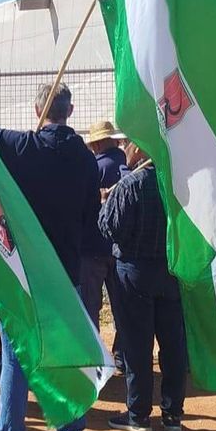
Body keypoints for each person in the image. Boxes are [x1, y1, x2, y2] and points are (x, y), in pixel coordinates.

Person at [0, 60, 101, 431]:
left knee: (17, 354)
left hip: (24, 274)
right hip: (66, 273)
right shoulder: (85, 160)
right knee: (62, 353)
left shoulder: (26, 148)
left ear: (37, 111)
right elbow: (90, 217)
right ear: (70, 112)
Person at [98, 144, 189, 431]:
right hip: (170, 272)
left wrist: (105, 201)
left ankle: (138, 414)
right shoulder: (176, 185)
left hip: (134, 274)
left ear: (138, 150)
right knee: (173, 345)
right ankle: (172, 413)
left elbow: (108, 227)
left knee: (137, 346)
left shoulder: (129, 185)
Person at [81, 120, 130, 372]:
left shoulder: (94, 168)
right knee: (121, 307)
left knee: (91, 306)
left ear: (98, 143)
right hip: (121, 249)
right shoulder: (130, 167)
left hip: (93, 248)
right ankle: (122, 355)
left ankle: (95, 359)